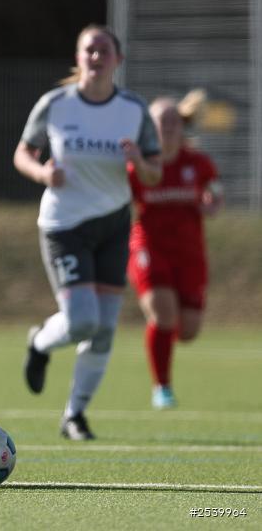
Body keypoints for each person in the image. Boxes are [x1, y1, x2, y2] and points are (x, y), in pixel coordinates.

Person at [13, 24, 162, 440]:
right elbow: (22, 153)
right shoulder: (56, 104)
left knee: (104, 329)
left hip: (114, 225)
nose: (96, 57)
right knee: (82, 322)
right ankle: (40, 342)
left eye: (103, 51)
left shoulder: (133, 110)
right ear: (78, 59)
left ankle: (74, 415)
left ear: (118, 60)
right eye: (88, 51)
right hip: (64, 225)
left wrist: (138, 161)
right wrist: (43, 171)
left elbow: (154, 173)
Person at [127, 91, 223, 410]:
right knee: (163, 313)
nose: (167, 126)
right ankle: (162, 388)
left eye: (172, 121)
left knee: (189, 331)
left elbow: (214, 193)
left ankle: (163, 335)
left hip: (190, 254)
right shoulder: (137, 166)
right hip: (149, 248)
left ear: (182, 125)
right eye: (159, 121)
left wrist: (212, 202)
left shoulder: (198, 163)